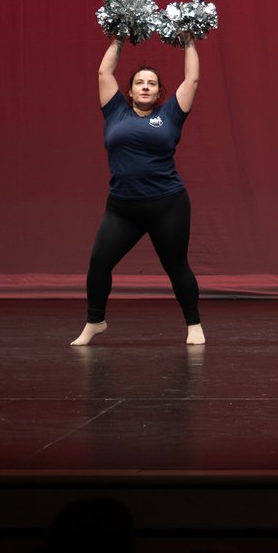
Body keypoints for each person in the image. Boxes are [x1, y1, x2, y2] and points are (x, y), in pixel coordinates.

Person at [73, 32, 206, 347]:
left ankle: (194, 324)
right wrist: (118, 40)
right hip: (123, 208)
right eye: (139, 83)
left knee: (176, 266)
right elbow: (104, 73)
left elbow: (193, 79)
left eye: (152, 83)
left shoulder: (170, 115)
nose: (145, 86)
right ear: (130, 91)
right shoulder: (114, 111)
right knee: (99, 263)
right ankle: (95, 321)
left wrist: (188, 42)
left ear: (160, 92)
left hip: (167, 205)